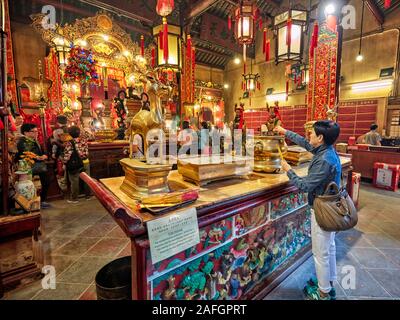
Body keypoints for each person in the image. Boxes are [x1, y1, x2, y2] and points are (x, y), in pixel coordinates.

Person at [274, 120, 341, 300]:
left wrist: (289, 170)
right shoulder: (325, 150)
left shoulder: (324, 161)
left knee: (320, 254)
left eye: (311, 133)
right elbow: (304, 143)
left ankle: (323, 294)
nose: (308, 135)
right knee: (330, 249)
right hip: (331, 207)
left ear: (320, 137)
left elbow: (304, 186)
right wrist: (284, 130)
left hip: (323, 210)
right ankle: (328, 284)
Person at [16, 123, 51, 209]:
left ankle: (42, 200)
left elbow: (41, 151)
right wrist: (38, 157)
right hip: (27, 166)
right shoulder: (22, 142)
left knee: (47, 180)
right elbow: (26, 153)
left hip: (38, 165)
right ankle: (30, 203)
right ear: (26, 132)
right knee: (31, 185)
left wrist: (44, 155)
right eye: (33, 131)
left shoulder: (35, 140)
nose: (36, 133)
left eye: (36, 131)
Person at [63, 126, 91, 204]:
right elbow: (88, 134)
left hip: (75, 163)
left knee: (74, 180)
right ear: (79, 132)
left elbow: (67, 154)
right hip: (85, 161)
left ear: (69, 134)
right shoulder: (84, 140)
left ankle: (75, 198)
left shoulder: (70, 142)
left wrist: (64, 163)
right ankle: (88, 196)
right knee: (87, 179)